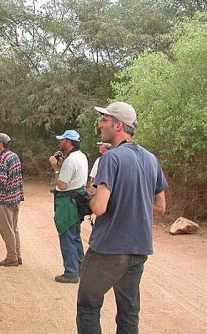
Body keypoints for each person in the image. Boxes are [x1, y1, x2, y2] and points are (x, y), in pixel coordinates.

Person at [77, 102, 168, 334]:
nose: (100, 125)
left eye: (104, 120)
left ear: (118, 126)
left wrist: (88, 199)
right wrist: (133, 198)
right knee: (128, 313)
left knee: (88, 307)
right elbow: (160, 205)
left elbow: (99, 207)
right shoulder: (150, 159)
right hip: (138, 249)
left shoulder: (111, 158)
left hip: (109, 248)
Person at [49, 130, 88, 283]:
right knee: (75, 236)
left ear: (68, 142)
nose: (60, 143)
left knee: (66, 236)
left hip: (67, 201)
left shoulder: (71, 160)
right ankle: (80, 268)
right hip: (77, 199)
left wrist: (56, 168)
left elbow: (62, 184)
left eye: (63, 140)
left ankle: (71, 272)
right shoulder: (81, 157)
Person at [0, 133, 24, 266]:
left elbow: (2, 181)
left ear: (0, 143)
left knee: (6, 229)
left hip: (5, 199)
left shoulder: (3, 158)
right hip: (15, 197)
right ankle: (17, 255)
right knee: (14, 228)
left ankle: (12, 257)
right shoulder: (14, 156)